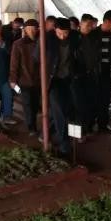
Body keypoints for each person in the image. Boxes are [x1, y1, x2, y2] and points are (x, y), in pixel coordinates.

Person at [35, 17, 81, 156]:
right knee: (59, 109)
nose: (62, 36)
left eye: (65, 33)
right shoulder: (46, 38)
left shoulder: (75, 37)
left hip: (67, 78)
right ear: (54, 30)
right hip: (52, 79)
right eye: (60, 33)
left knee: (66, 108)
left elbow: (77, 56)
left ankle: (45, 133)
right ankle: (64, 144)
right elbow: (37, 56)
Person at [10, 19, 41, 135]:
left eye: (34, 29)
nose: (32, 31)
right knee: (28, 104)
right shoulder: (18, 44)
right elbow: (14, 63)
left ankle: (33, 124)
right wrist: (13, 79)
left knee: (35, 104)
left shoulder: (41, 42)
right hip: (24, 79)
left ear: (37, 30)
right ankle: (31, 127)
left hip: (38, 79)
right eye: (29, 29)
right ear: (25, 30)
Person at [93, 10, 111, 133]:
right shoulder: (94, 33)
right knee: (93, 98)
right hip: (94, 72)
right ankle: (89, 125)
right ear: (107, 21)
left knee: (105, 99)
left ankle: (103, 125)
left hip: (107, 71)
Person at [75, 14, 100, 137]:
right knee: (76, 106)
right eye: (87, 25)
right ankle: (76, 134)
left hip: (90, 75)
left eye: (91, 25)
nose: (90, 28)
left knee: (90, 103)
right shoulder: (74, 37)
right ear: (80, 24)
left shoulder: (93, 37)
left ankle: (87, 128)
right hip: (76, 77)